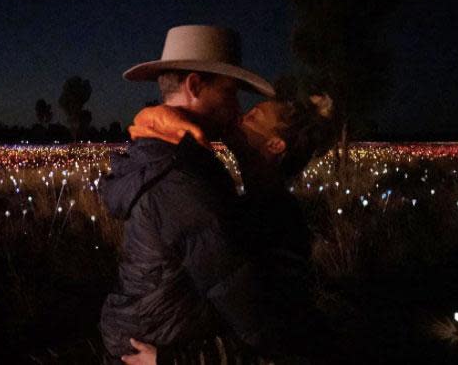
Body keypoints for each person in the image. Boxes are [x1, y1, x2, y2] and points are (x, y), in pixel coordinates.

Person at [120, 78, 338, 365]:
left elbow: (275, 333)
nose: (240, 116)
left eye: (253, 117)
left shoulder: (279, 219)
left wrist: (174, 360)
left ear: (274, 144)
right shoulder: (247, 202)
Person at [98, 24, 276, 364]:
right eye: (229, 93)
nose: (237, 108)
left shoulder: (158, 152)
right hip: (159, 343)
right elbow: (237, 294)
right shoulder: (180, 174)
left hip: (152, 333)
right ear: (194, 85)